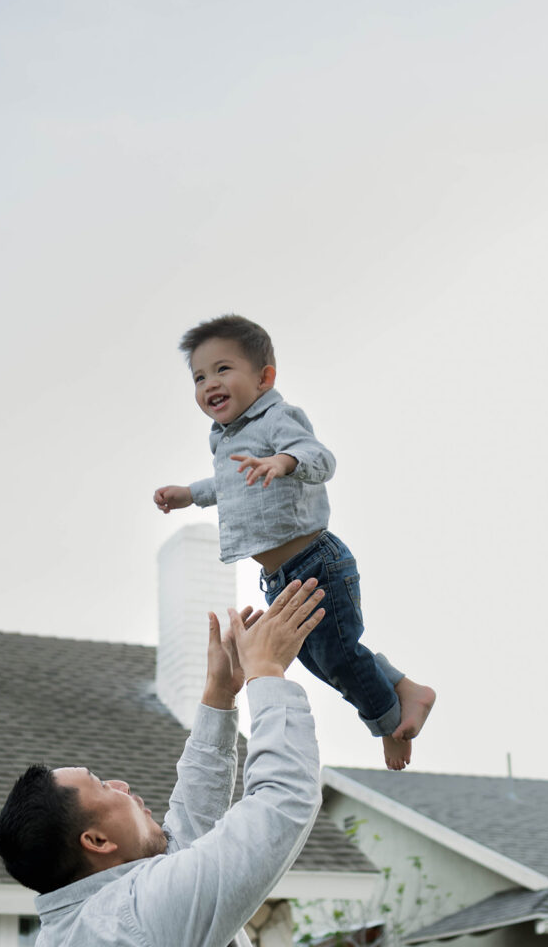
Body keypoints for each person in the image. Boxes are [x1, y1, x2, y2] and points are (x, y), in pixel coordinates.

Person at [154, 314, 435, 770]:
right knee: (318, 660)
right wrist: (189, 495)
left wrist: (284, 462)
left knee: (339, 656)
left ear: (264, 378)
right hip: (280, 578)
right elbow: (228, 485)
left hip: (316, 563)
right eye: (200, 377)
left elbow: (319, 457)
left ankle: (390, 722)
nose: (210, 384)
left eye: (223, 369)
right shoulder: (226, 440)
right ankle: (403, 687)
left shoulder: (276, 418)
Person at [0, 578, 326, 947]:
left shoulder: (92, 920)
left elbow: (183, 842)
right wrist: (266, 672)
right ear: (97, 840)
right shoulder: (133, 919)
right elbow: (282, 802)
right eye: (102, 785)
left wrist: (219, 693)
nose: (121, 784)